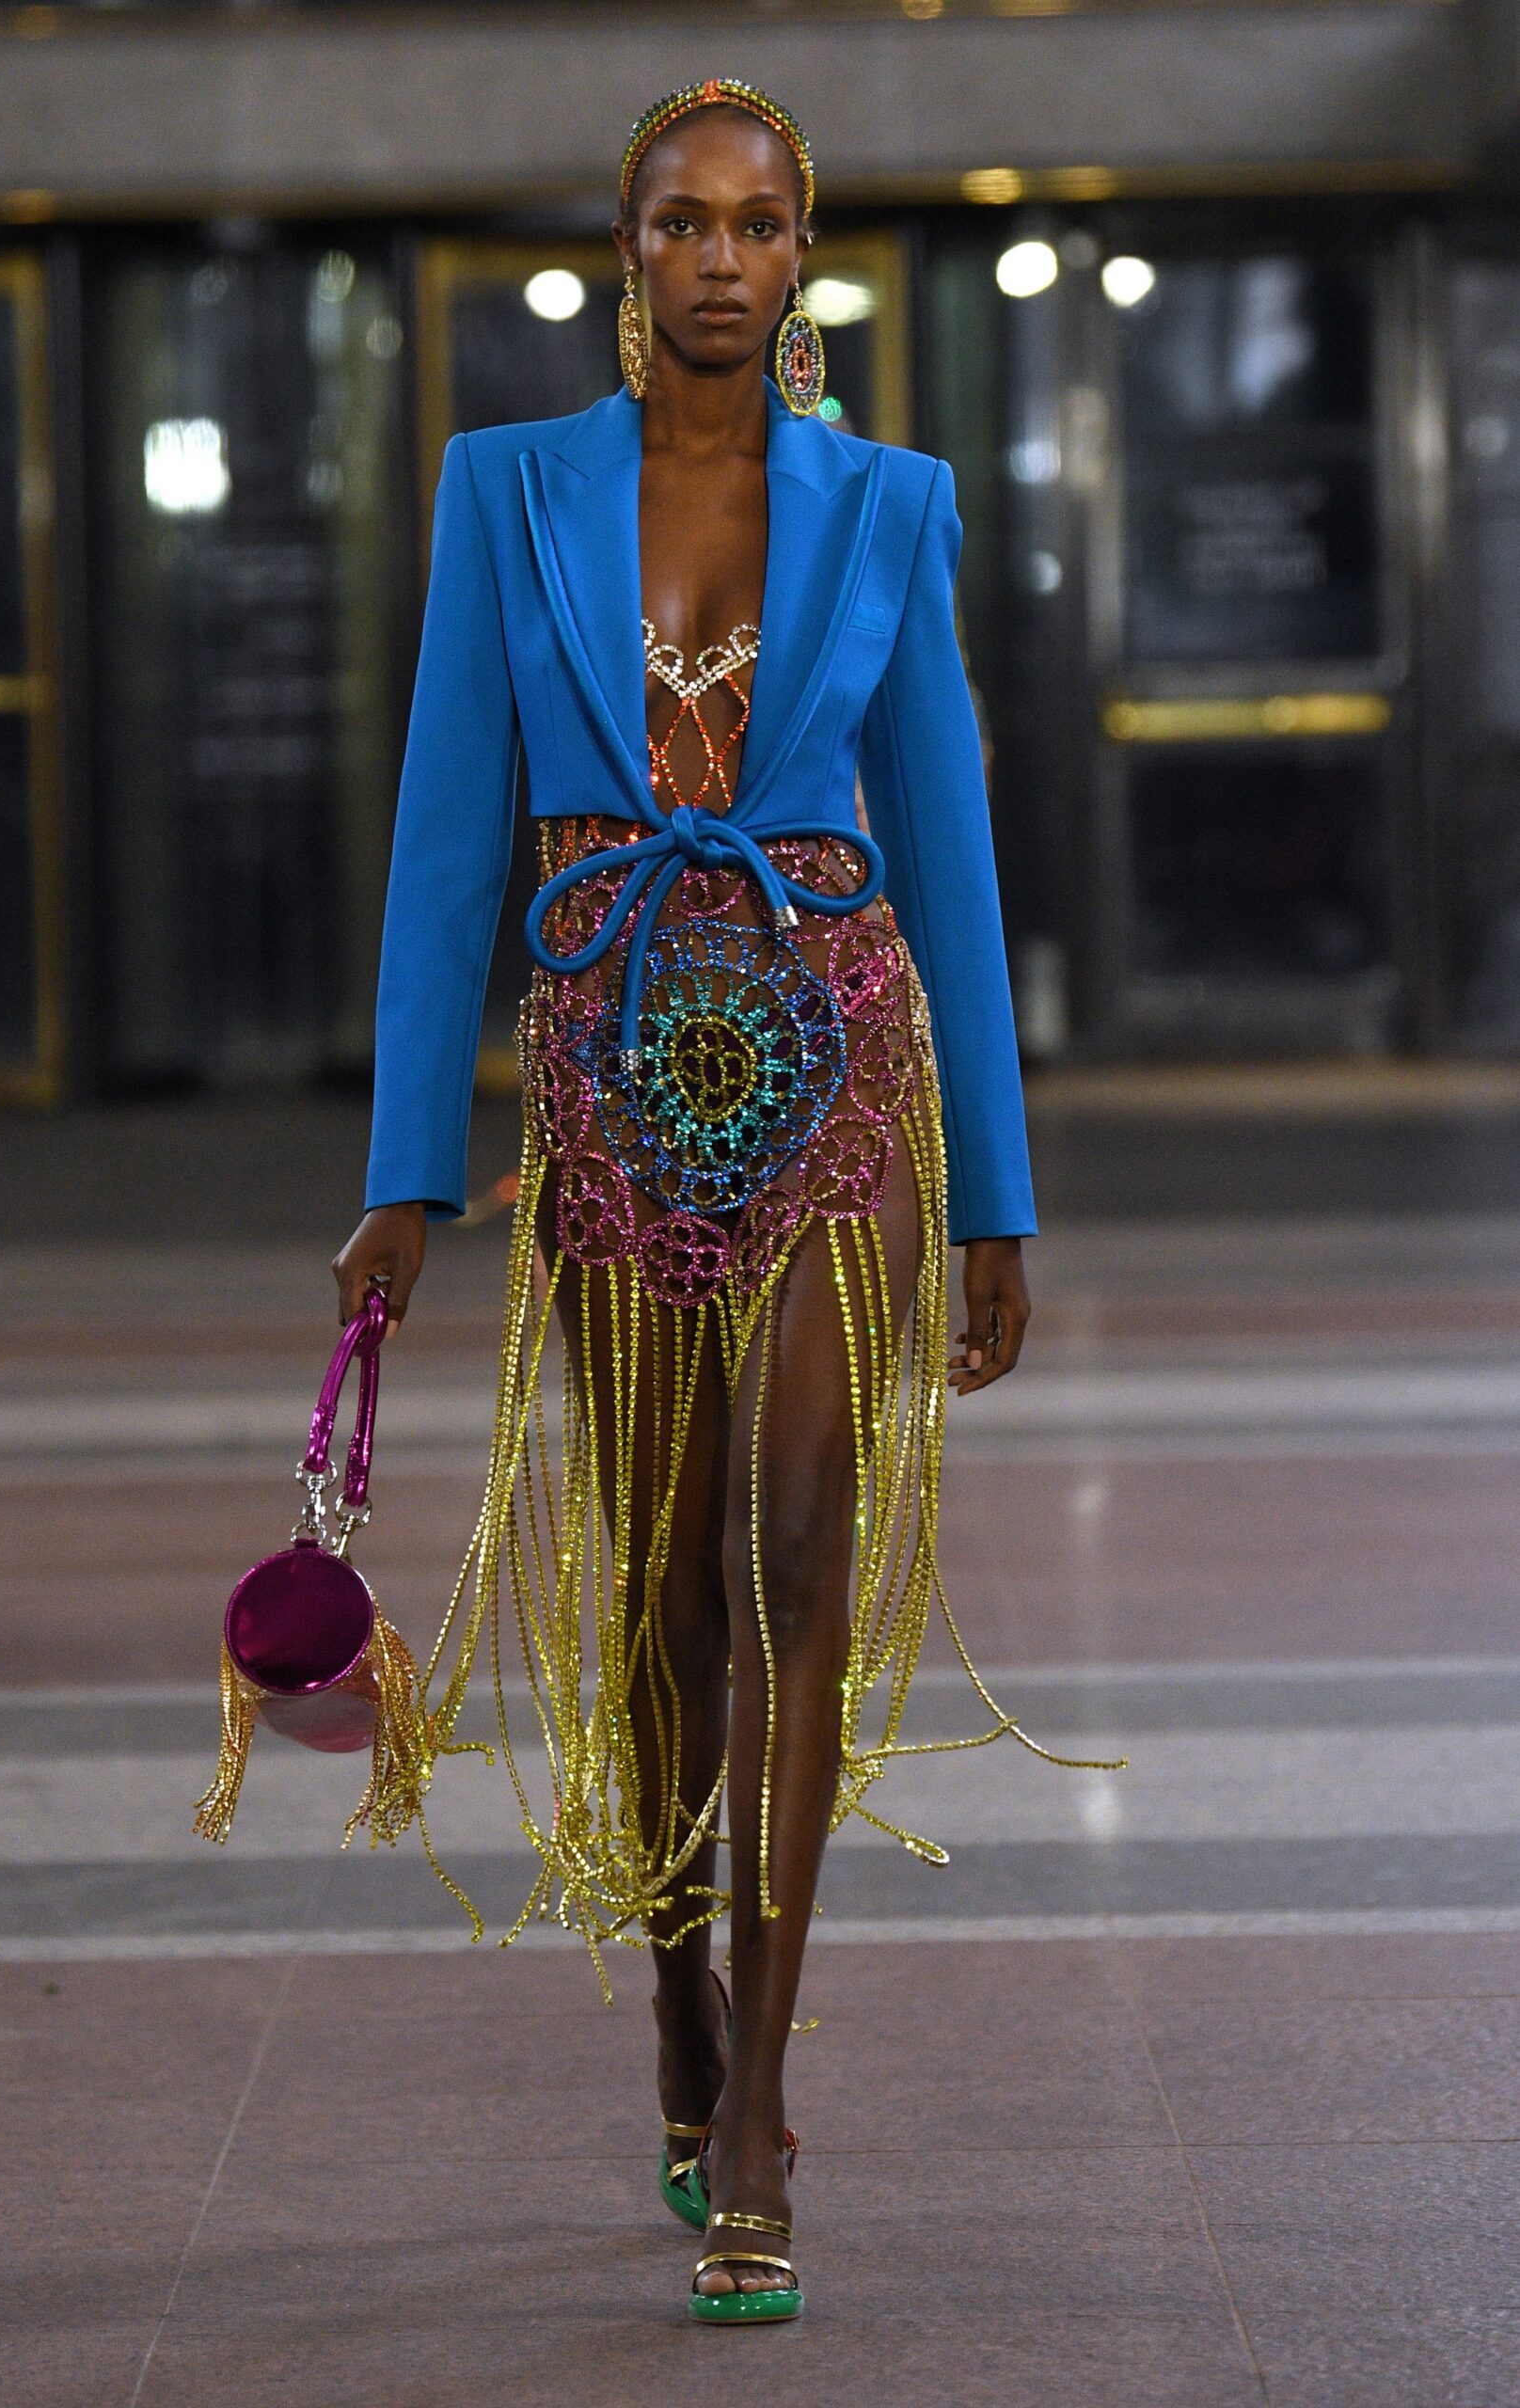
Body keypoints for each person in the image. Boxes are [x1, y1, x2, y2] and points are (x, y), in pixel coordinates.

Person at [334, 78, 1058, 2326]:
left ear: (803, 255)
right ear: (625, 249)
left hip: (838, 1064)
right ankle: (674, 1993)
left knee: (791, 1559)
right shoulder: (507, 489)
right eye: (679, 222)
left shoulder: (890, 503)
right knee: (658, 1591)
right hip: (608, 1075)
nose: (719, 257)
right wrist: (404, 1169)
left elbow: (945, 844)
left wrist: (996, 1191)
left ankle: (757, 2106)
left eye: (756, 223)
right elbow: (447, 826)